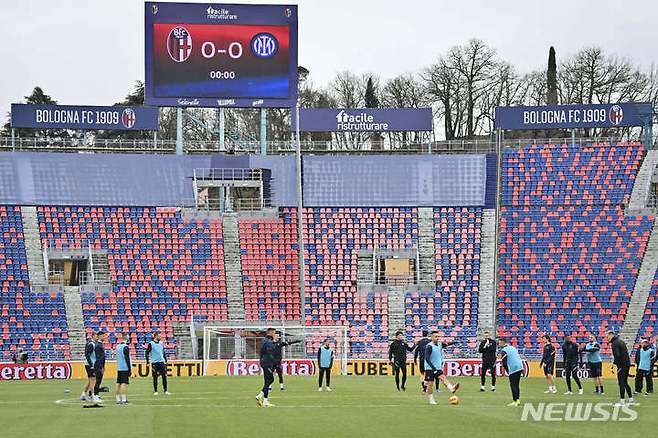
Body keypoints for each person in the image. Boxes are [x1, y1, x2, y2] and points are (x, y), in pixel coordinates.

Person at [423, 331, 460, 405]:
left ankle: (452, 388)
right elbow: (427, 358)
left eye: (438, 336)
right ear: (432, 337)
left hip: (438, 367)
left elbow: (447, 344)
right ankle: (431, 399)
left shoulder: (439, 344)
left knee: (443, 378)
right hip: (430, 368)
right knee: (430, 384)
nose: (437, 338)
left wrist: (455, 342)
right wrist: (433, 368)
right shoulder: (429, 346)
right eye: (435, 336)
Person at [606, 330, 635, 407]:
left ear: (611, 335)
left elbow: (617, 355)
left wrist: (614, 364)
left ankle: (622, 401)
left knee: (621, 382)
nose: (606, 338)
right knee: (625, 382)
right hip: (626, 364)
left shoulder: (615, 343)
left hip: (622, 365)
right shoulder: (620, 341)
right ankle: (631, 399)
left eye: (607, 336)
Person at [498, 337, 523, 407]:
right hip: (520, 366)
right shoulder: (513, 347)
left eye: (500, 343)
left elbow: (504, 361)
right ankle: (517, 400)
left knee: (513, 385)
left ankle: (515, 401)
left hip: (513, 368)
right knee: (516, 384)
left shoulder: (504, 350)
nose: (499, 344)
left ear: (503, 342)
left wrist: (508, 371)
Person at [256, 328, 277, 407]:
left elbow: (262, 351)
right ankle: (264, 400)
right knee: (269, 380)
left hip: (264, 362)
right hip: (267, 363)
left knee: (269, 380)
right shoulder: (268, 342)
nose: (275, 335)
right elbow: (269, 353)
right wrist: (274, 363)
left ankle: (261, 396)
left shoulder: (264, 340)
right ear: (271, 333)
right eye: (274, 333)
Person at [115, 333, 131, 405]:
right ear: (126, 338)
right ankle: (123, 399)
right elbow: (127, 359)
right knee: (124, 383)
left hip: (119, 367)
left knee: (118, 383)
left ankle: (118, 399)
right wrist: (129, 369)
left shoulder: (118, 346)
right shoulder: (126, 347)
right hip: (124, 367)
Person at [81, 333, 97, 401]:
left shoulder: (91, 344)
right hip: (90, 365)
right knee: (93, 381)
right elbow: (87, 355)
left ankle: (83, 394)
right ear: (93, 336)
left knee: (90, 380)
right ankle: (93, 396)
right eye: (96, 336)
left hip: (90, 364)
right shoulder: (91, 344)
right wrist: (91, 365)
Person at [92, 330, 106, 404]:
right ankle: (95, 395)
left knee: (99, 381)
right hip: (98, 366)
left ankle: (96, 395)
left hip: (99, 365)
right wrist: (101, 367)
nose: (105, 337)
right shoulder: (98, 345)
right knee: (98, 381)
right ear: (100, 336)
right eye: (103, 336)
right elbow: (99, 358)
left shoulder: (99, 345)